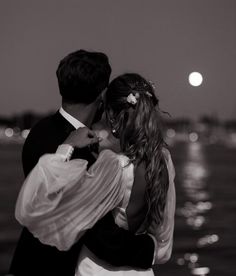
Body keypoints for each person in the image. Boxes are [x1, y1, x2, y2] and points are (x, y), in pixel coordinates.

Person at [9, 52, 156, 276]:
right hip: (52, 268)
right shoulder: (75, 151)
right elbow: (101, 237)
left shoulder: (40, 131)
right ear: (103, 95)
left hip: (28, 261)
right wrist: (153, 247)